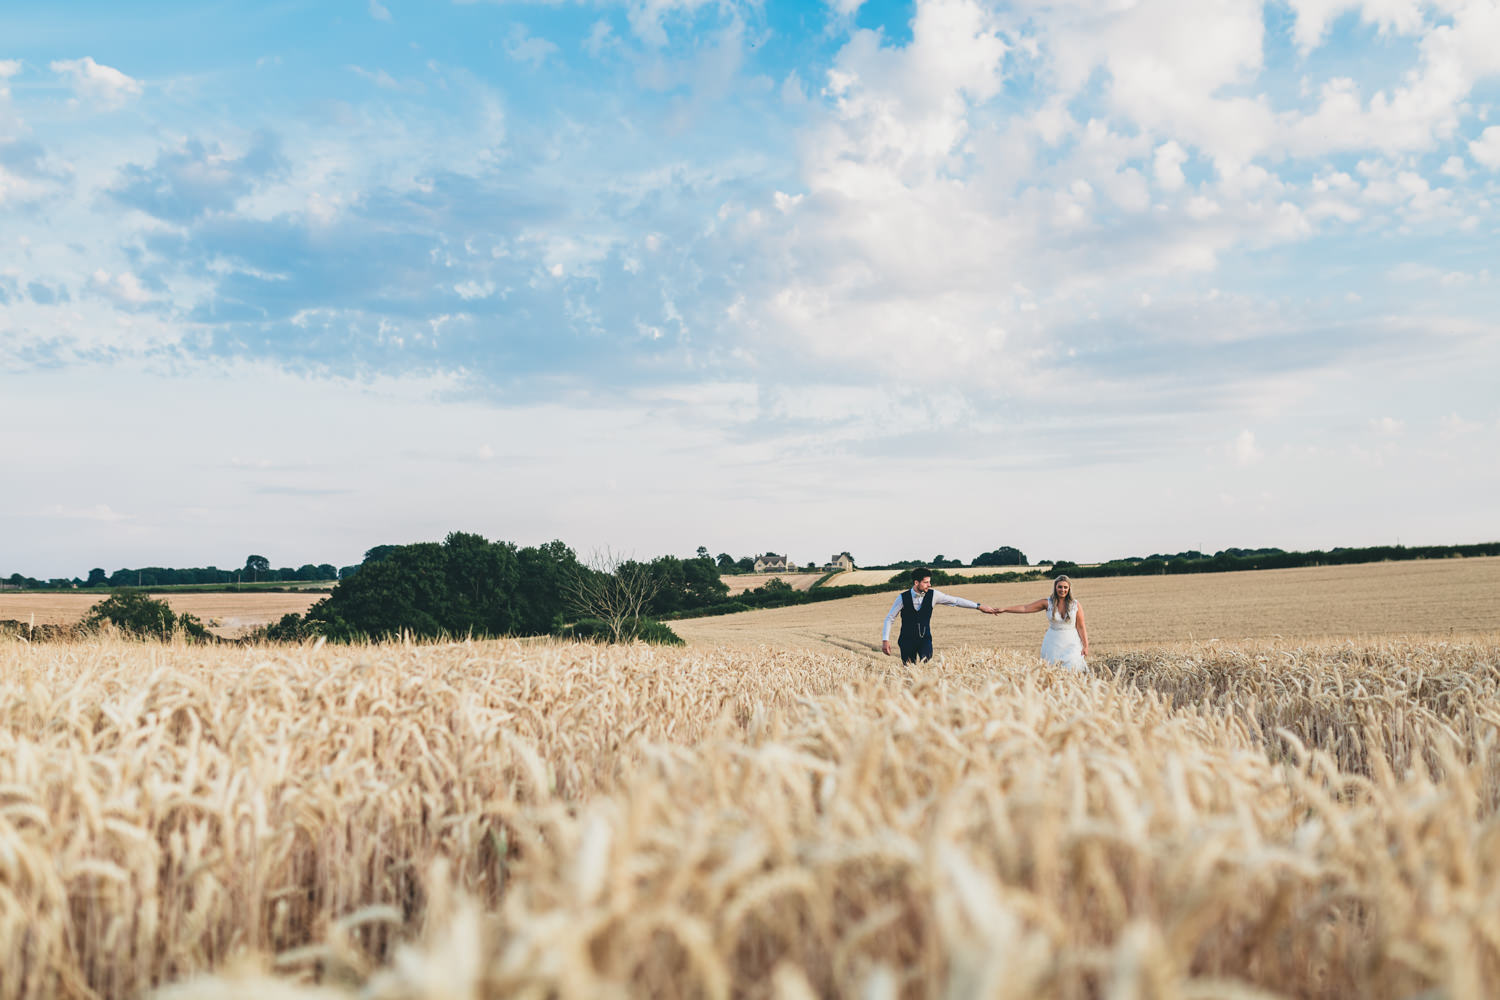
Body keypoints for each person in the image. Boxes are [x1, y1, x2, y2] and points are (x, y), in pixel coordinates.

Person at [881, 567, 999, 663]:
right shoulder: (902, 597)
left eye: (929, 582)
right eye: (926, 582)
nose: (929, 585)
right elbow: (890, 618)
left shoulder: (934, 595)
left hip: (925, 640)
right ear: (916, 582)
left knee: (926, 668)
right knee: (908, 671)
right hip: (906, 640)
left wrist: (978, 606)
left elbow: (956, 601)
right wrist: (885, 640)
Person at [995, 574, 1089, 670]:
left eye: (1065, 587)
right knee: (1053, 670)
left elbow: (1081, 627)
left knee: (1073, 666)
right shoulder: (1047, 603)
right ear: (1055, 587)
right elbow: (1025, 608)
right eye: (1060, 587)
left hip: (1072, 642)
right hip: (1052, 643)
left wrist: (1085, 646)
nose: (1062, 590)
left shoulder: (1075, 604)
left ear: (1069, 589)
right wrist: (1005, 609)